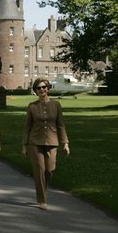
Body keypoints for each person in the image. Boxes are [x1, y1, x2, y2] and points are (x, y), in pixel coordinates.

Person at [22, 78, 70, 211]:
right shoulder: (32, 106)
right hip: (34, 142)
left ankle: (43, 188)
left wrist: (65, 143)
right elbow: (27, 127)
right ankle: (42, 199)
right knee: (39, 170)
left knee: (50, 169)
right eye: (39, 88)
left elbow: (61, 125)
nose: (42, 90)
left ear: (48, 89)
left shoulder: (56, 105)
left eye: (44, 87)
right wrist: (24, 145)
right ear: (36, 91)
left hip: (52, 141)